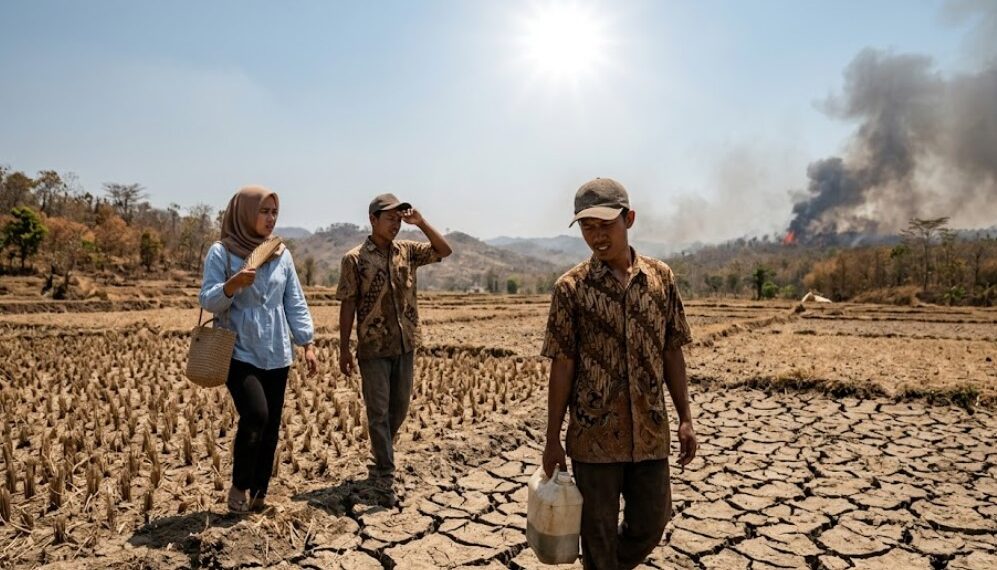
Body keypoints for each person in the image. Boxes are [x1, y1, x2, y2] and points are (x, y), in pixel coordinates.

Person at [541, 178, 697, 569]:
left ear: (629, 218)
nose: (596, 237)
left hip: (650, 431)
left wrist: (686, 418)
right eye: (587, 228)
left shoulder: (661, 278)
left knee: (651, 523)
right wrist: (552, 438)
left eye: (605, 225)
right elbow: (562, 364)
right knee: (597, 536)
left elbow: (671, 350)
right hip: (593, 439)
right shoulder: (571, 288)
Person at [199, 185, 318, 513]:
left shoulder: (281, 253)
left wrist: (306, 342)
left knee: (271, 424)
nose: (270, 218)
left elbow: (294, 300)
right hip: (239, 350)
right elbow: (207, 299)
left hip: (276, 351)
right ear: (245, 213)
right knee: (255, 415)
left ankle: (260, 494)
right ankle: (239, 485)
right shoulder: (222, 252)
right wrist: (232, 285)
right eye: (263, 211)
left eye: (274, 212)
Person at [336, 193, 452, 502]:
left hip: (405, 344)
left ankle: (381, 455)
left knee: (398, 408)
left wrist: (421, 222)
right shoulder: (354, 259)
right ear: (373, 219)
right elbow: (348, 305)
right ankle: (384, 472)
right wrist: (344, 348)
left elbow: (444, 249)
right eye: (390, 219)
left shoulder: (409, 252)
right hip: (373, 347)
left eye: (399, 220)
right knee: (378, 411)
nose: (396, 225)